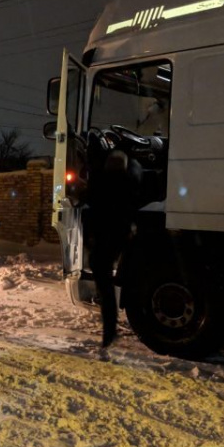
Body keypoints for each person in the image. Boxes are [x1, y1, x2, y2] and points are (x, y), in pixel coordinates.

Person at [87, 147, 142, 347]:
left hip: (103, 241)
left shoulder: (102, 183)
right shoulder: (129, 184)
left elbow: (93, 209)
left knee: (105, 287)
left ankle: (109, 332)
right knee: (107, 287)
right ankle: (109, 329)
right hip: (117, 240)